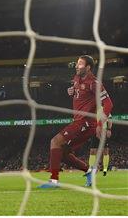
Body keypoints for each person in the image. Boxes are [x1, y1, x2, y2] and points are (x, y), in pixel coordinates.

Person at [39, 55, 113, 188]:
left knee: (55, 142)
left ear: (88, 67)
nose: (76, 66)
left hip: (85, 123)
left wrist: (101, 125)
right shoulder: (77, 79)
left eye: (80, 64)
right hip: (79, 121)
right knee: (62, 153)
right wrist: (72, 91)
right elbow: (79, 93)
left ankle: (54, 180)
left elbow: (108, 104)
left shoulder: (94, 83)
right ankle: (89, 171)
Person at [87, 112, 112, 182]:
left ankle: (105, 169)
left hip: (103, 131)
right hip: (94, 131)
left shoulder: (105, 110)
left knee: (105, 151)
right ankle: (91, 168)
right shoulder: (91, 110)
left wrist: (109, 129)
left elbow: (110, 119)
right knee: (92, 151)